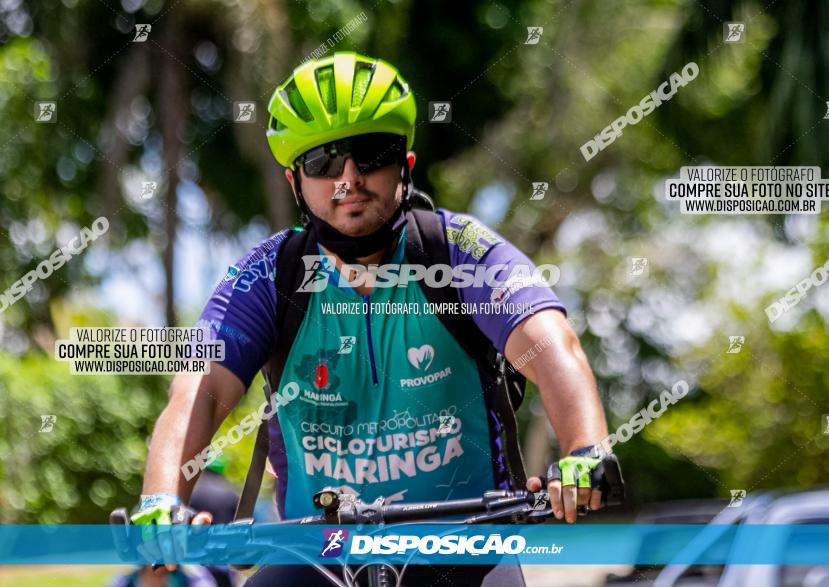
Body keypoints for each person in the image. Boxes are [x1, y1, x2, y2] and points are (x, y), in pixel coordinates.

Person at [131, 51, 622, 586]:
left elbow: (553, 346)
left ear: (404, 168)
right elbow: (198, 392)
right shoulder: (269, 274)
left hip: (467, 546)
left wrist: (584, 450)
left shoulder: (459, 251)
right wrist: (161, 502)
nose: (349, 178)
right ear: (296, 182)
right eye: (323, 161)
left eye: (371, 154)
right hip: (316, 550)